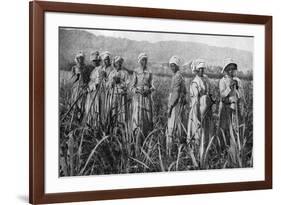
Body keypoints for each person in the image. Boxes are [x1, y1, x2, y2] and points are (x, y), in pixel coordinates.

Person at [187, 59, 214, 163]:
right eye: (200, 69)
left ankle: (207, 151)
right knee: (198, 129)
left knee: (207, 128)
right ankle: (197, 153)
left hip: (207, 107)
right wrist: (197, 114)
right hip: (198, 107)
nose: (202, 71)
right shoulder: (195, 82)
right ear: (196, 70)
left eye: (203, 69)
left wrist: (211, 101)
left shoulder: (206, 79)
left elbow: (209, 92)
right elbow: (195, 101)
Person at [131, 53, 154, 152]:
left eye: (145, 60)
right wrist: (137, 90)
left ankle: (146, 143)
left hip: (147, 98)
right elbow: (131, 87)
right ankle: (136, 144)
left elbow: (153, 86)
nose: (144, 62)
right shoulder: (136, 71)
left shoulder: (150, 72)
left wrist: (148, 90)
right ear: (139, 61)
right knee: (137, 118)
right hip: (138, 98)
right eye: (142, 60)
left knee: (147, 119)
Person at [218, 58, 242, 150]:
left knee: (235, 126)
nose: (232, 71)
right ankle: (223, 148)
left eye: (233, 69)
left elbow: (239, 96)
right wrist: (229, 87)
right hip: (225, 107)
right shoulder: (222, 81)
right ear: (226, 70)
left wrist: (237, 87)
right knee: (225, 127)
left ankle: (235, 148)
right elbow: (222, 95)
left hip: (234, 106)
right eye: (230, 69)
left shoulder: (236, 81)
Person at [166, 56, 187, 157]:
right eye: (171, 65)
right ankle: (177, 149)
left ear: (177, 66)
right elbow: (184, 92)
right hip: (179, 104)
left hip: (175, 105)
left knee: (172, 125)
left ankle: (171, 151)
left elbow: (176, 93)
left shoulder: (177, 77)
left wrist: (170, 107)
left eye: (173, 65)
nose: (172, 67)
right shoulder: (180, 76)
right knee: (178, 126)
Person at [107, 56, 129, 128]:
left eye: (120, 62)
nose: (119, 64)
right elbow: (108, 85)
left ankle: (121, 128)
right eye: (117, 62)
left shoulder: (125, 73)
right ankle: (113, 127)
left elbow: (128, 84)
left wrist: (120, 82)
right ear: (114, 63)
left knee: (122, 112)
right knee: (113, 111)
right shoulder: (111, 73)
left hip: (122, 95)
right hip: (113, 95)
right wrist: (112, 82)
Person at [70, 51, 89, 122]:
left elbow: (88, 79)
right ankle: (73, 120)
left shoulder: (86, 68)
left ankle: (81, 120)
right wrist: (77, 76)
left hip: (83, 88)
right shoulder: (74, 68)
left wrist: (85, 84)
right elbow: (71, 80)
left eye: (82, 58)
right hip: (76, 89)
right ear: (77, 59)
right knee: (75, 105)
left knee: (83, 105)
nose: (80, 59)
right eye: (79, 58)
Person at [84, 51, 102, 125]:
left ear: (99, 61)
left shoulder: (100, 69)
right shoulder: (94, 70)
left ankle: (95, 125)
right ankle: (89, 124)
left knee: (95, 108)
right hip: (90, 92)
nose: (94, 62)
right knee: (89, 108)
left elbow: (98, 82)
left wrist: (90, 88)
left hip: (96, 92)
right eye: (93, 61)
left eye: (96, 61)